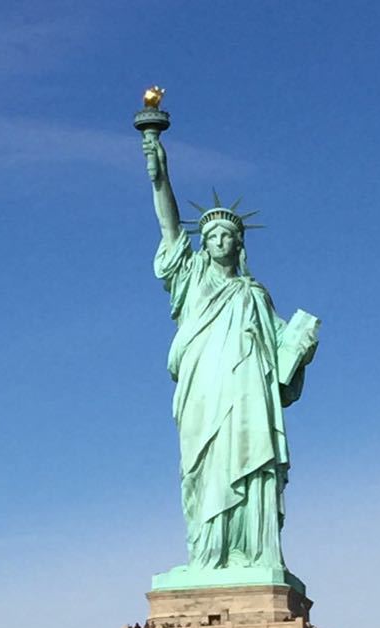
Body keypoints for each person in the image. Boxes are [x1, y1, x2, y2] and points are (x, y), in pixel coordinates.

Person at [143, 128, 319, 575]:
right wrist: (159, 172)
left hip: (248, 392)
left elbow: (281, 350)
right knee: (204, 465)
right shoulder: (192, 276)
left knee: (250, 459)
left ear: (239, 245)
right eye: (213, 235)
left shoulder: (255, 293)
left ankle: (253, 553)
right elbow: (167, 222)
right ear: (203, 244)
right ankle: (207, 556)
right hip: (205, 385)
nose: (220, 241)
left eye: (228, 236)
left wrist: (301, 344)